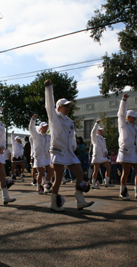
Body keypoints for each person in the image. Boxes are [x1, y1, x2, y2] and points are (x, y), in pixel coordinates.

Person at [45, 79, 94, 211]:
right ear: (59, 107)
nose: (67, 108)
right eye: (65, 106)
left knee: (80, 174)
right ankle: (54, 204)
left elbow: (72, 138)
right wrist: (49, 88)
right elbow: (49, 105)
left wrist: (74, 149)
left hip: (69, 153)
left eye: (68, 106)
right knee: (59, 179)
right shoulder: (54, 117)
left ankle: (80, 200)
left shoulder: (70, 121)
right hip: (57, 151)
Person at [116, 93, 137, 200]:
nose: (135, 119)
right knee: (126, 172)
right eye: (133, 117)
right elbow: (121, 114)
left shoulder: (134, 128)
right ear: (128, 117)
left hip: (134, 152)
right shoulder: (123, 124)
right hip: (126, 151)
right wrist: (124, 100)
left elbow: (135, 141)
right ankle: (122, 192)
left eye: (135, 118)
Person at [29, 114, 54, 194]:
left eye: (46, 127)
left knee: (50, 170)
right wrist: (33, 120)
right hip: (39, 156)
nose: (45, 128)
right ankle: (39, 186)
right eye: (43, 127)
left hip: (46, 156)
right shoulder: (36, 135)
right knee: (41, 172)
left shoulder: (48, 136)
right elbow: (31, 128)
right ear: (40, 128)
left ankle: (46, 185)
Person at [90, 120, 113, 189]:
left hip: (103, 157)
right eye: (99, 130)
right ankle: (93, 184)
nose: (101, 131)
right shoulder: (94, 137)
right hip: (97, 156)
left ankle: (106, 182)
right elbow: (93, 131)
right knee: (96, 170)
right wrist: (96, 124)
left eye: (101, 130)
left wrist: (106, 152)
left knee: (108, 168)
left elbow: (104, 147)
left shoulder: (103, 139)